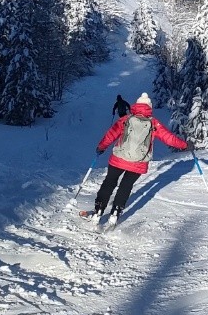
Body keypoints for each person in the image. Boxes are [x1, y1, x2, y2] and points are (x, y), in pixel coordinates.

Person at [81, 92, 188, 224]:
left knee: (109, 182)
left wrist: (101, 147)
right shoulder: (154, 123)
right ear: (149, 107)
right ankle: (115, 212)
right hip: (138, 163)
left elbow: (111, 133)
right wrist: (185, 145)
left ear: (136, 106)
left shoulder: (125, 119)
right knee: (126, 186)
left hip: (118, 158)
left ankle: (98, 211)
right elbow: (169, 138)